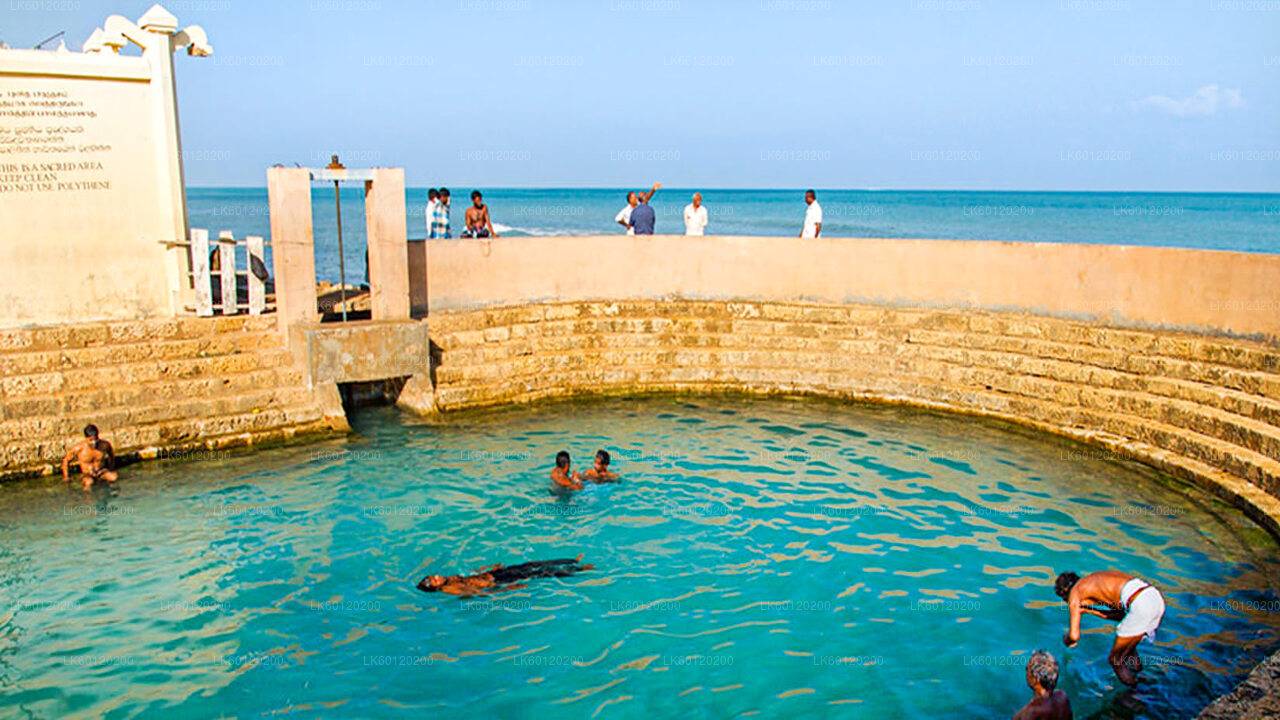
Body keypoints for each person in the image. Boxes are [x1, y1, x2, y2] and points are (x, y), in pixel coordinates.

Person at [1055, 570, 1166, 686]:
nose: (1066, 602)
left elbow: (1074, 636)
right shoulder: (1095, 580)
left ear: (1065, 591)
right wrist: (1090, 610)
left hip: (1139, 604)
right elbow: (1120, 615)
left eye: (1064, 599)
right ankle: (1140, 676)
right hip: (1153, 597)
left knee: (1115, 660)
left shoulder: (1075, 592)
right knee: (1129, 648)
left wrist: (1067, 640)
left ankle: (1137, 692)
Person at [417, 555, 595, 596]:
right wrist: (509, 588)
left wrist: (487, 568)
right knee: (541, 574)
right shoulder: (451, 589)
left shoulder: (449, 579)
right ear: (436, 588)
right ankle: (580, 569)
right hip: (498, 581)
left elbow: (469, 576)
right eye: (434, 580)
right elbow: (480, 594)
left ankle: (572, 560)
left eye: (434, 576)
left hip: (493, 573)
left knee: (530, 565)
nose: (438, 576)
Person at [1013, 650, 1073, 720]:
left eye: (1027, 669)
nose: (1026, 672)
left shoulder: (1028, 714)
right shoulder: (1062, 697)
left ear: (1036, 679)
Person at [62, 424, 117, 488]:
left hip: (101, 472)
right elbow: (66, 460)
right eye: (91, 440)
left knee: (113, 477)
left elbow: (111, 455)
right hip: (87, 474)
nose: (94, 443)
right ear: (86, 438)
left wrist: (111, 468)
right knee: (89, 482)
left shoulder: (104, 445)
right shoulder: (78, 448)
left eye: (96, 439)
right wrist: (66, 476)